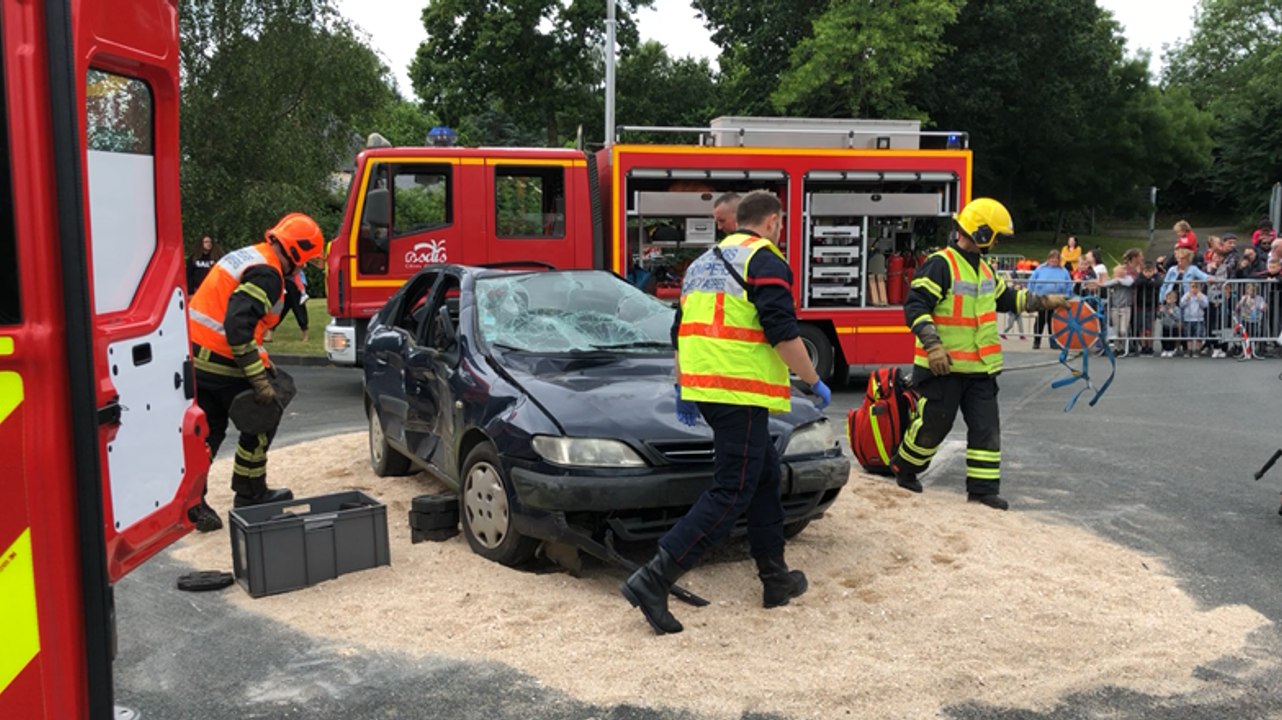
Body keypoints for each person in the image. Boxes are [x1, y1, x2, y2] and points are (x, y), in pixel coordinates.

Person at [620, 190, 831, 636]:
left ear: (736, 219)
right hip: (740, 391)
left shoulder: (701, 264)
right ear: (773, 221)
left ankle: (776, 579)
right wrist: (813, 380)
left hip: (709, 389)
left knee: (764, 476)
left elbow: (680, 330)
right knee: (732, 490)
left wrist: (684, 386)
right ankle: (654, 578)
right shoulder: (766, 260)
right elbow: (782, 332)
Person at [889, 198, 1067, 511]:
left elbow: (1009, 298)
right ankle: (905, 467)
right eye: (995, 235)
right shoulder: (940, 264)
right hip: (942, 368)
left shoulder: (984, 269)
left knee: (986, 429)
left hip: (980, 370)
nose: (996, 242)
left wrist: (1045, 302)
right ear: (982, 232)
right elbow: (915, 306)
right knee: (934, 425)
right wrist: (933, 346)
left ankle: (983, 490)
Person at [185, 212, 325, 532]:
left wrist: (263, 360)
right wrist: (259, 379)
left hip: (197, 355)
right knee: (262, 415)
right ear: (296, 252)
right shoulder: (268, 274)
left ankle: (193, 504)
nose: (302, 268)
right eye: (304, 262)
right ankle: (250, 494)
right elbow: (237, 327)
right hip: (222, 360)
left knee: (207, 434)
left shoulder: (250, 254)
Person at [1027, 249, 1074, 350]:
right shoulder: (1040, 269)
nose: (1053, 260)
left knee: (1053, 322)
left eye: (1056, 259)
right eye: (1052, 258)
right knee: (1040, 320)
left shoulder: (1063, 271)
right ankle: (1037, 341)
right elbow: (1032, 280)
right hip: (1041, 298)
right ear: (1048, 259)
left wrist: (1068, 295)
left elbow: (1068, 283)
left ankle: (1054, 342)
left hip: (1056, 299)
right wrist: (1030, 293)